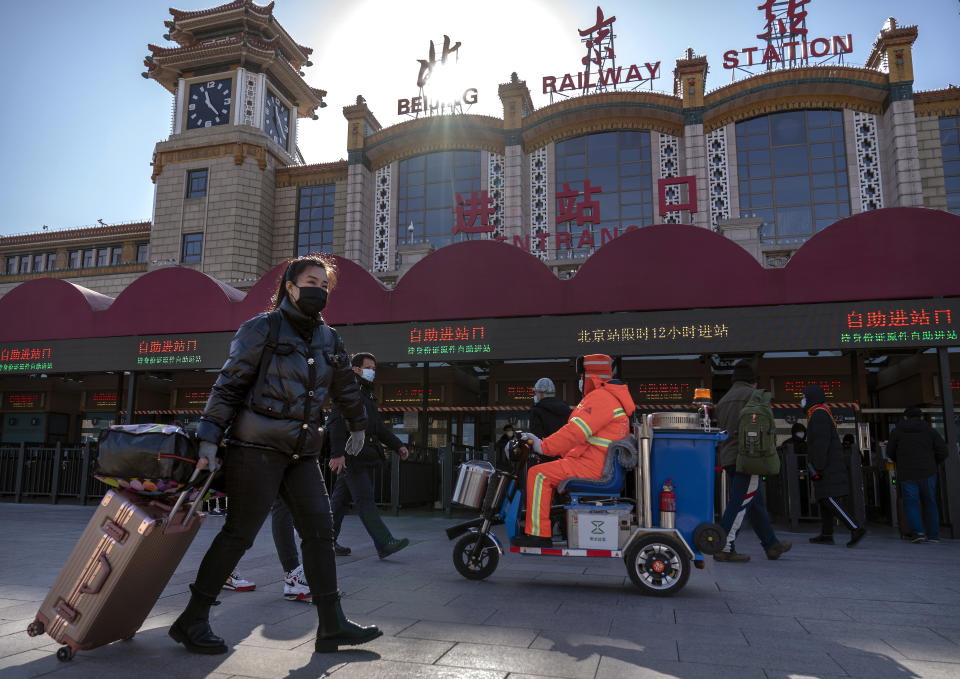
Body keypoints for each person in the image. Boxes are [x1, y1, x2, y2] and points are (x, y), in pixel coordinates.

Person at [168, 254, 381, 655]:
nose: (318, 289)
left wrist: (358, 425)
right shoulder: (261, 328)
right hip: (256, 448)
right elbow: (228, 385)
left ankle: (332, 625)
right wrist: (209, 439)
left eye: (325, 284)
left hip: (302, 452)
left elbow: (345, 387)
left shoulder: (329, 337)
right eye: (311, 281)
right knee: (239, 534)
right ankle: (192, 619)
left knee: (320, 532)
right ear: (290, 285)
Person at [511, 354, 636, 548]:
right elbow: (586, 440)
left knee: (538, 474)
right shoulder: (610, 397)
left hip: (593, 466)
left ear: (590, 376)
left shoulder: (600, 398)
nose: (579, 381)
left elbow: (576, 432)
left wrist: (543, 446)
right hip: (597, 462)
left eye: (581, 376)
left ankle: (538, 535)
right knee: (548, 471)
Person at [328, 352, 411, 558]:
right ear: (355, 369)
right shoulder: (349, 390)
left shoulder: (366, 394)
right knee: (365, 499)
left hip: (358, 455)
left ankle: (325, 542)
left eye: (374, 369)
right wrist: (337, 454)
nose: (372, 372)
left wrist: (398, 445)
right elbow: (336, 422)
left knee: (339, 501)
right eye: (368, 368)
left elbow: (378, 428)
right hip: (351, 455)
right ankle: (384, 543)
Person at [714, 361, 792, 562]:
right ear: (753, 381)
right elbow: (766, 430)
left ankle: (771, 544)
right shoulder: (755, 397)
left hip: (729, 457)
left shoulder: (723, 400)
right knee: (739, 502)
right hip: (749, 459)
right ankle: (723, 546)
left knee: (754, 502)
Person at [805, 384, 867, 547]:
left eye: (804, 397)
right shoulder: (821, 412)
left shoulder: (818, 414)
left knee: (829, 499)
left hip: (826, 465)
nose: (802, 401)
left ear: (811, 397)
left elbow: (820, 442)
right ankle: (827, 534)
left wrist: (817, 465)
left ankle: (855, 528)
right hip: (829, 464)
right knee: (823, 499)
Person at [887, 407, 948, 543]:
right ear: (921, 417)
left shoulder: (897, 432)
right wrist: (933, 462)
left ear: (905, 418)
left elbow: (890, 452)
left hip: (907, 473)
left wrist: (901, 461)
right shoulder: (930, 431)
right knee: (930, 502)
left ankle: (918, 532)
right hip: (928, 472)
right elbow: (943, 451)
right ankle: (933, 535)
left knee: (911, 503)